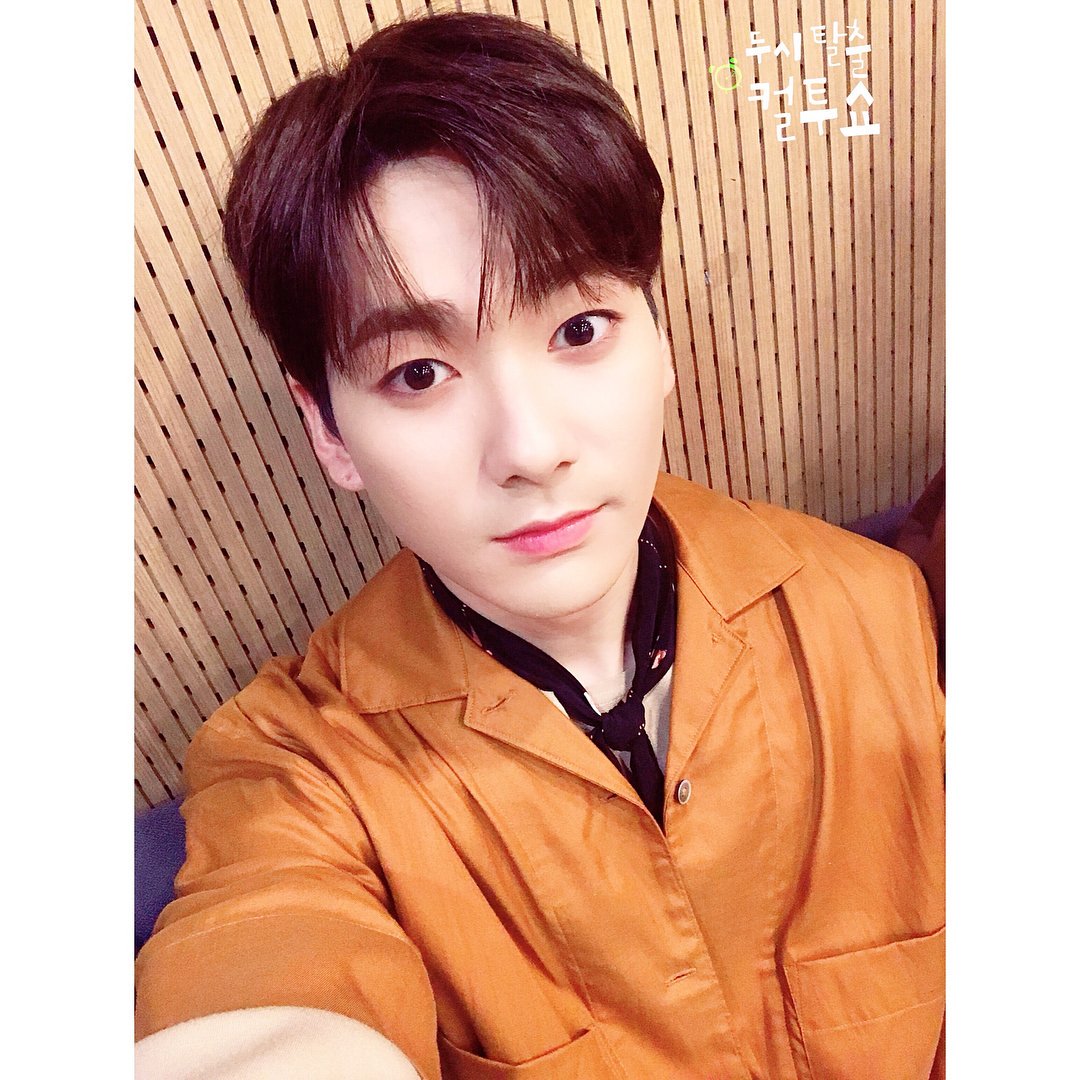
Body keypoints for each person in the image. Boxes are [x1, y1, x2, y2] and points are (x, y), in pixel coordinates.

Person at [134, 12, 944, 1079]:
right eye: (418, 373)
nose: (530, 449)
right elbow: (265, 960)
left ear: (657, 339)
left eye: (578, 329)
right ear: (327, 430)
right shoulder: (301, 772)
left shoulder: (875, 608)